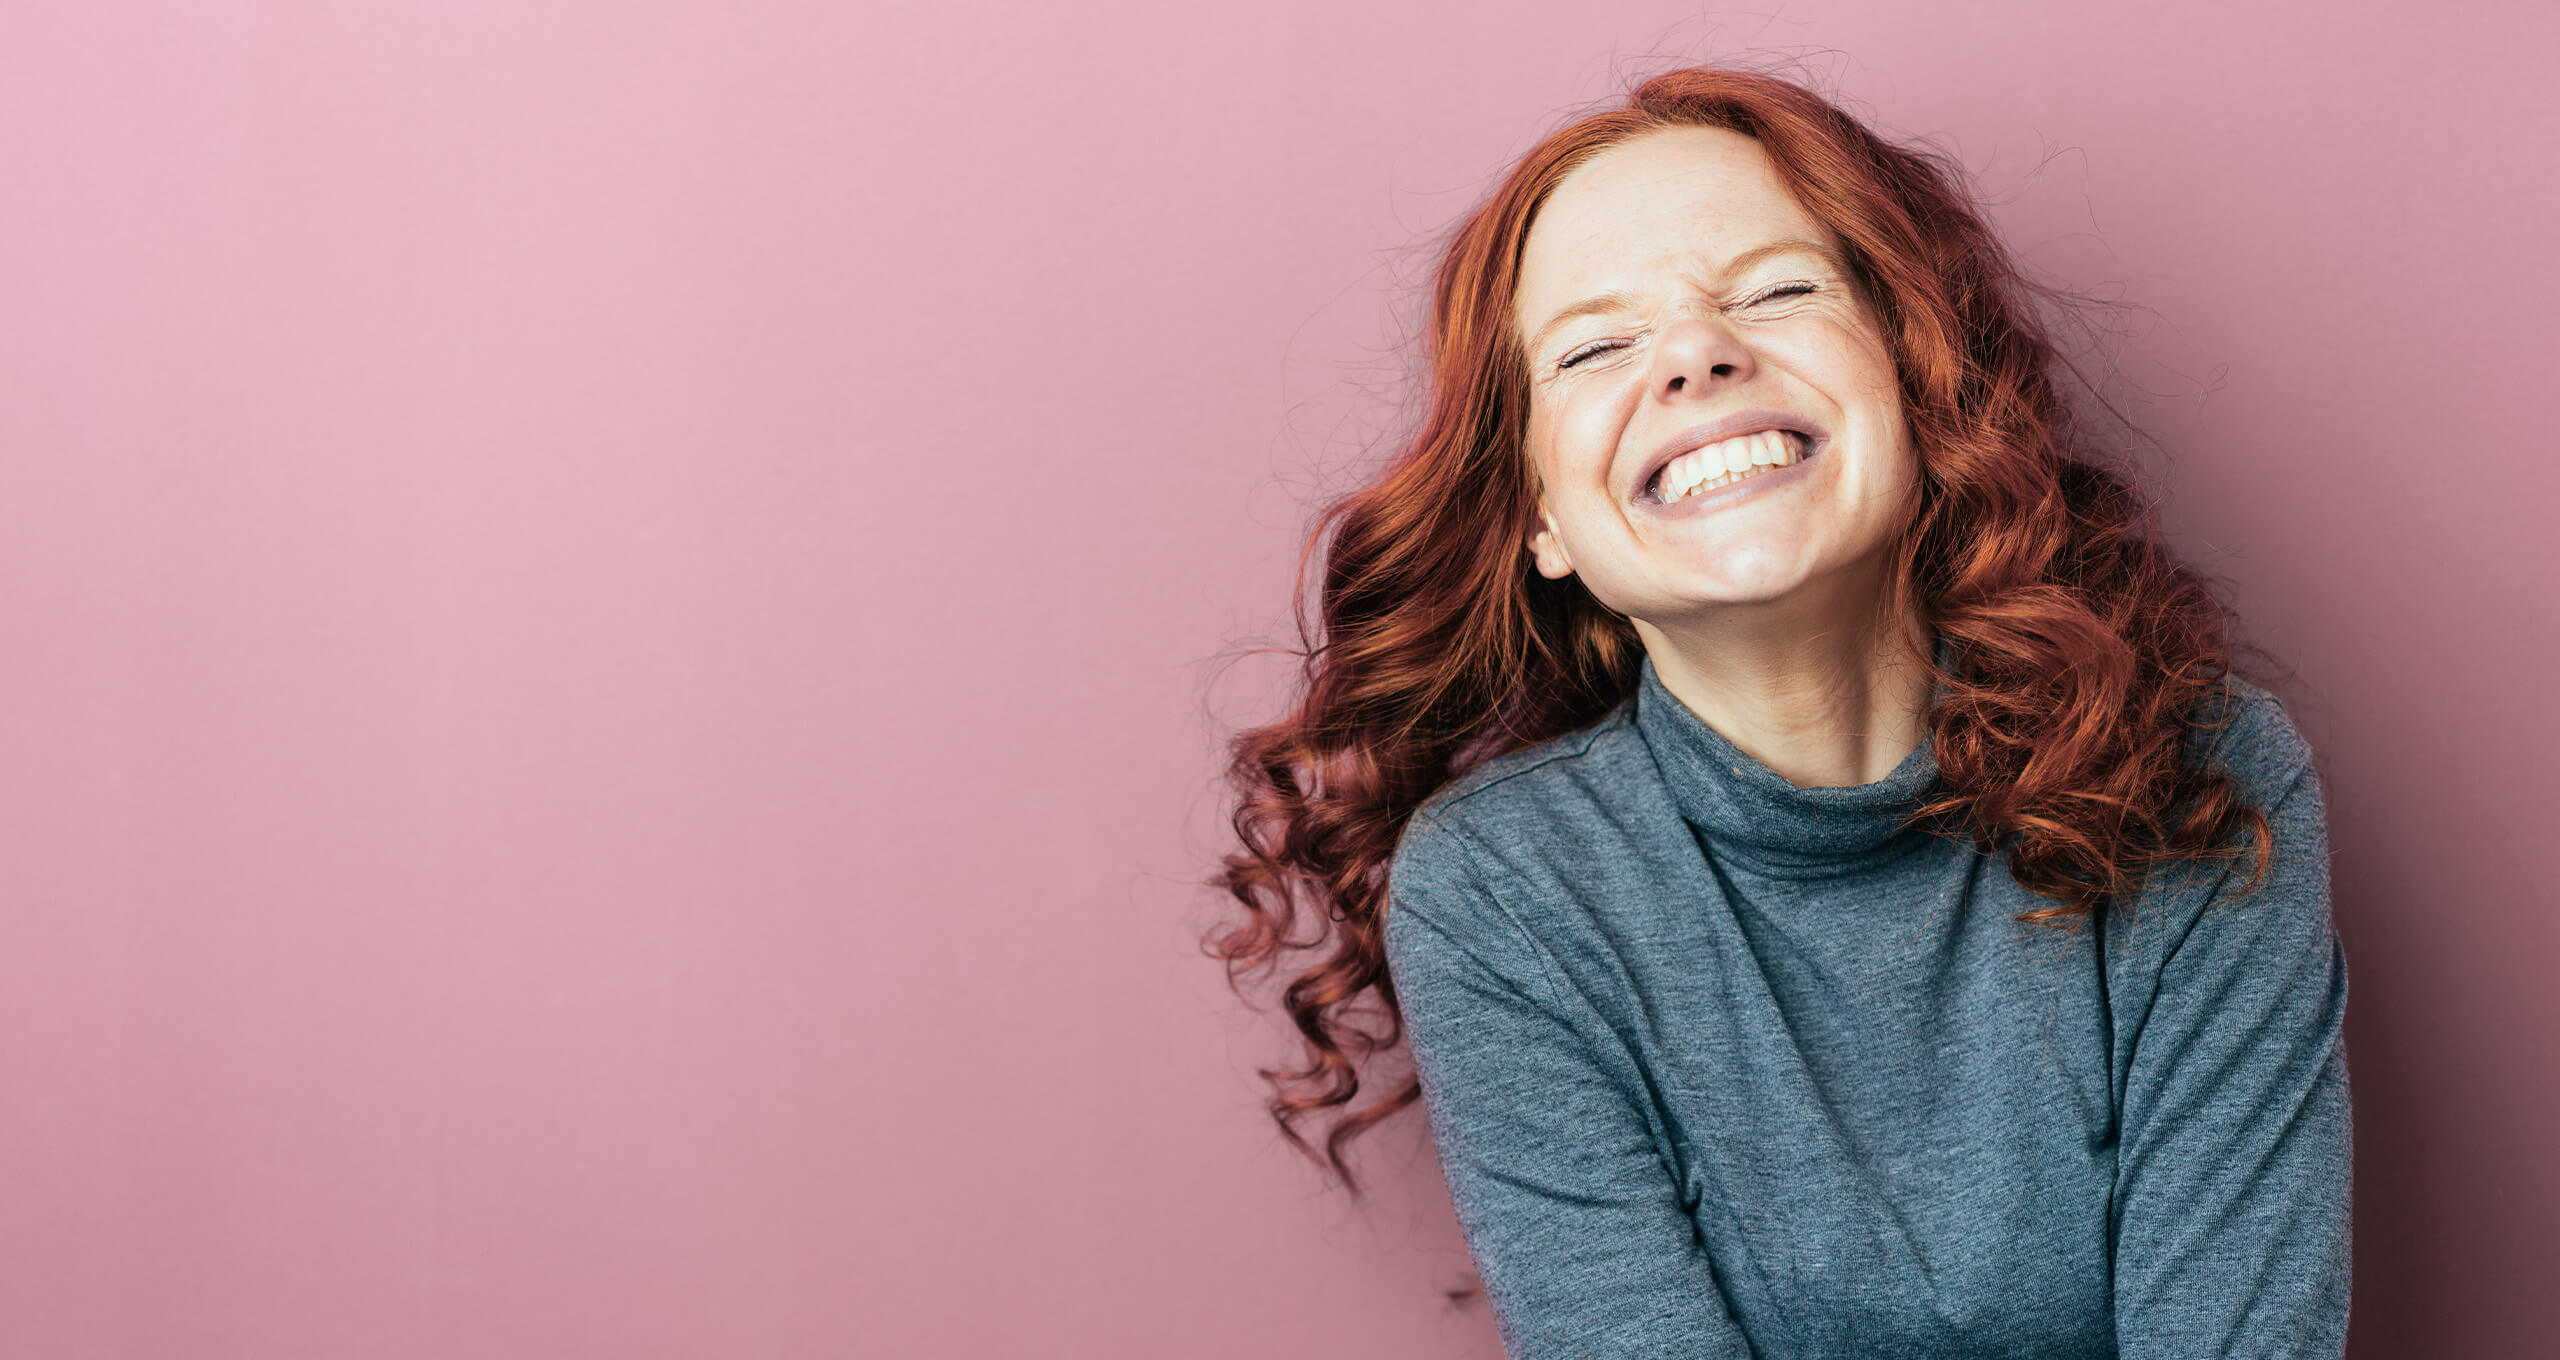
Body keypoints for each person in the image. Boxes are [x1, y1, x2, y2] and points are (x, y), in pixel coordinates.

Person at [1208, 64, 2350, 1359]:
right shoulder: (1503, 894)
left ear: (1917, 381)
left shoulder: (2202, 776)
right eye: (1593, 346)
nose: (1698, 355)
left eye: (1775, 289)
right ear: (1540, 520)